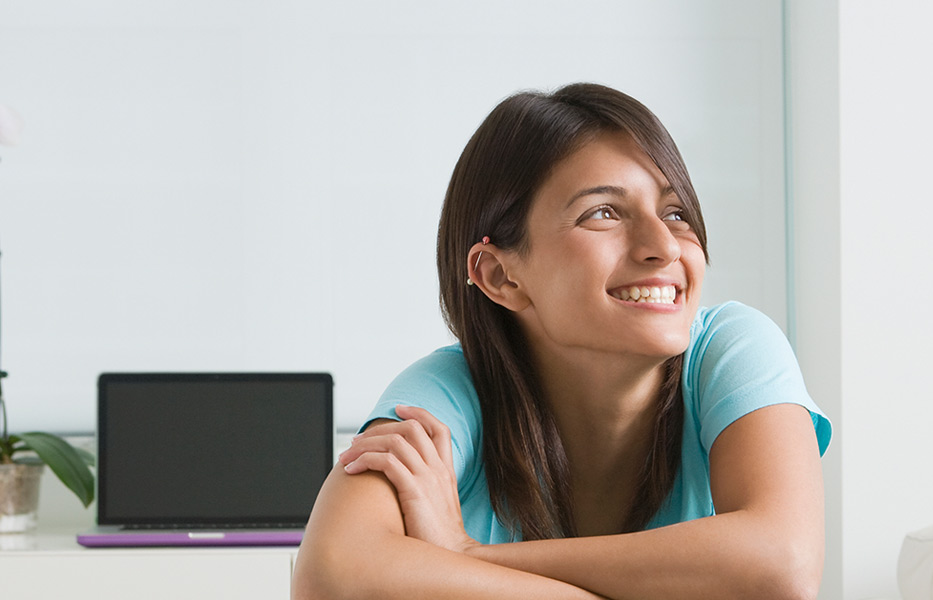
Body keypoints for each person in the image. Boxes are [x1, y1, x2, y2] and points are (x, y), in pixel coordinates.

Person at [291, 83, 832, 600]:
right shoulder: (446, 392)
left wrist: (468, 556)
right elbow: (332, 578)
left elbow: (783, 565)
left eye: (675, 212)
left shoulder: (734, 348)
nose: (664, 246)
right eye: (604, 212)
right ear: (501, 276)